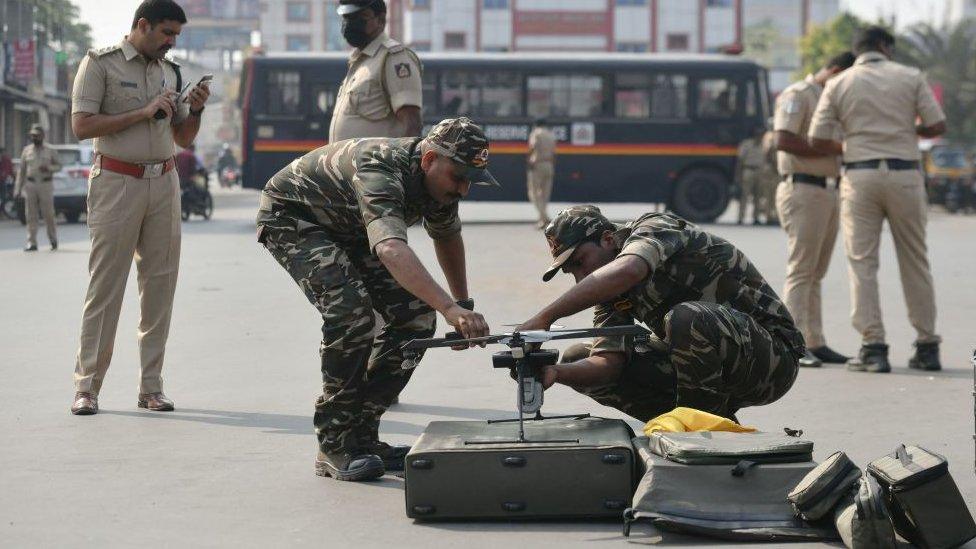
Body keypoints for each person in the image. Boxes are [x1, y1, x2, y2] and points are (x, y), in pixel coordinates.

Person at [257, 117, 495, 481]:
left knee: (415, 318)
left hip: (349, 227)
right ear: (429, 160)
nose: (463, 189)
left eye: (469, 181)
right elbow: (389, 248)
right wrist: (448, 307)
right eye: (458, 177)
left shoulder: (440, 183)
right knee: (351, 315)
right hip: (296, 219)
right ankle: (335, 444)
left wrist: (463, 305)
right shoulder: (381, 169)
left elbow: (446, 236)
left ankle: (362, 438)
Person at [517, 206, 804, 421]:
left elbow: (630, 269)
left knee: (686, 318)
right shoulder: (609, 291)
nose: (581, 277)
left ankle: (701, 433)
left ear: (607, 239)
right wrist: (555, 373)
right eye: (572, 272)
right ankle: (700, 422)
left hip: (772, 359)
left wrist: (546, 317)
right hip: (705, 364)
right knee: (578, 357)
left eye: (580, 262)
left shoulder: (654, 227)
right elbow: (608, 364)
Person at [69, 0, 211, 415]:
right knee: (105, 288)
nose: (171, 42)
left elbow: (183, 138)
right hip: (116, 182)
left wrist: (196, 108)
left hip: (164, 183)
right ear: (142, 25)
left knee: (160, 287)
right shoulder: (100, 64)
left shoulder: (172, 71)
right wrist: (142, 112)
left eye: (176, 36)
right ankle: (87, 387)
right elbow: (81, 126)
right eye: (166, 33)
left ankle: (151, 386)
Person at [809, 26, 946, 373]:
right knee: (915, 259)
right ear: (885, 47)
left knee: (862, 263)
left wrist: (856, 140)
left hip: (860, 174)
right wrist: (903, 129)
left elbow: (816, 136)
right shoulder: (911, 76)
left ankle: (874, 347)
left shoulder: (840, 83)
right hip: (905, 175)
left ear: (858, 51)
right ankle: (927, 345)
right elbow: (937, 125)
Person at [774, 51, 856, 368]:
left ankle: (814, 340)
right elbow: (783, 139)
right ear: (834, 70)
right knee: (801, 268)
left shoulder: (831, 98)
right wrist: (833, 147)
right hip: (803, 187)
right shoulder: (798, 94)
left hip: (829, 189)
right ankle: (792, 345)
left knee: (816, 273)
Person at [329, 0, 422, 142]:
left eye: (360, 17)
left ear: (381, 20)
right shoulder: (358, 62)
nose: (350, 23)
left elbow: (412, 123)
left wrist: (403, 163)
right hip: (349, 164)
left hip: (377, 164)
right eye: (347, 17)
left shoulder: (393, 57)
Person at [16, 124, 62, 252]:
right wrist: (18, 189)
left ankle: (53, 240)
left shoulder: (50, 150)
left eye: (36, 135)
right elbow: (22, 171)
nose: (34, 137)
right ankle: (32, 242)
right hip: (30, 185)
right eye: (32, 135)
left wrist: (49, 168)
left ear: (42, 136)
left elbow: (59, 166)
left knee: (48, 214)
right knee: (30, 215)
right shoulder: (26, 150)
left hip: (45, 184)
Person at [527, 118, 556, 228]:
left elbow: (532, 147)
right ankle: (542, 219)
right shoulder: (551, 135)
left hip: (538, 164)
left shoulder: (536, 134)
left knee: (533, 193)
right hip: (549, 165)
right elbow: (554, 153)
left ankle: (544, 217)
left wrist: (529, 160)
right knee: (545, 194)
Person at [735, 127, 764, 225]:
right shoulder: (746, 144)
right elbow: (740, 161)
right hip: (748, 170)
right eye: (758, 134)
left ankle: (756, 218)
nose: (760, 136)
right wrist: (738, 175)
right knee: (744, 196)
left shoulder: (764, 145)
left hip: (759, 171)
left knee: (758, 196)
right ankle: (740, 218)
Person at [760, 127, 780, 225]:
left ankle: (773, 216)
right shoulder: (770, 136)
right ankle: (769, 217)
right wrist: (774, 165)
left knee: (775, 194)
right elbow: (768, 152)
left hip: (774, 169)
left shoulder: (770, 135)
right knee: (770, 194)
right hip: (772, 169)